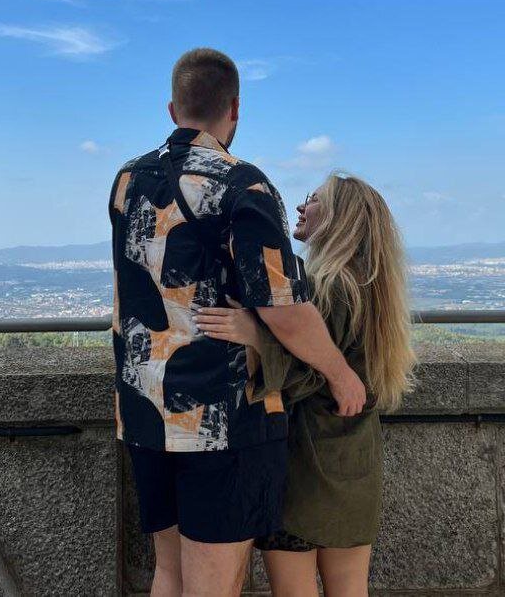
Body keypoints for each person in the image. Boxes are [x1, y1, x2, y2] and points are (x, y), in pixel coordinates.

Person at [108, 48, 366, 597]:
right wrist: (341, 374)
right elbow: (283, 308)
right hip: (222, 419)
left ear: (173, 108)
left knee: (169, 572)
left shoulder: (127, 180)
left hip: (144, 411)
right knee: (214, 584)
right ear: (235, 109)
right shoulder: (243, 185)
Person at [195, 173, 417, 597]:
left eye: (314, 200)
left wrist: (256, 336)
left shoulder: (323, 289)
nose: (300, 206)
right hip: (355, 463)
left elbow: (311, 375)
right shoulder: (370, 288)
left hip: (301, 467)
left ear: (339, 217)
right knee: (350, 588)